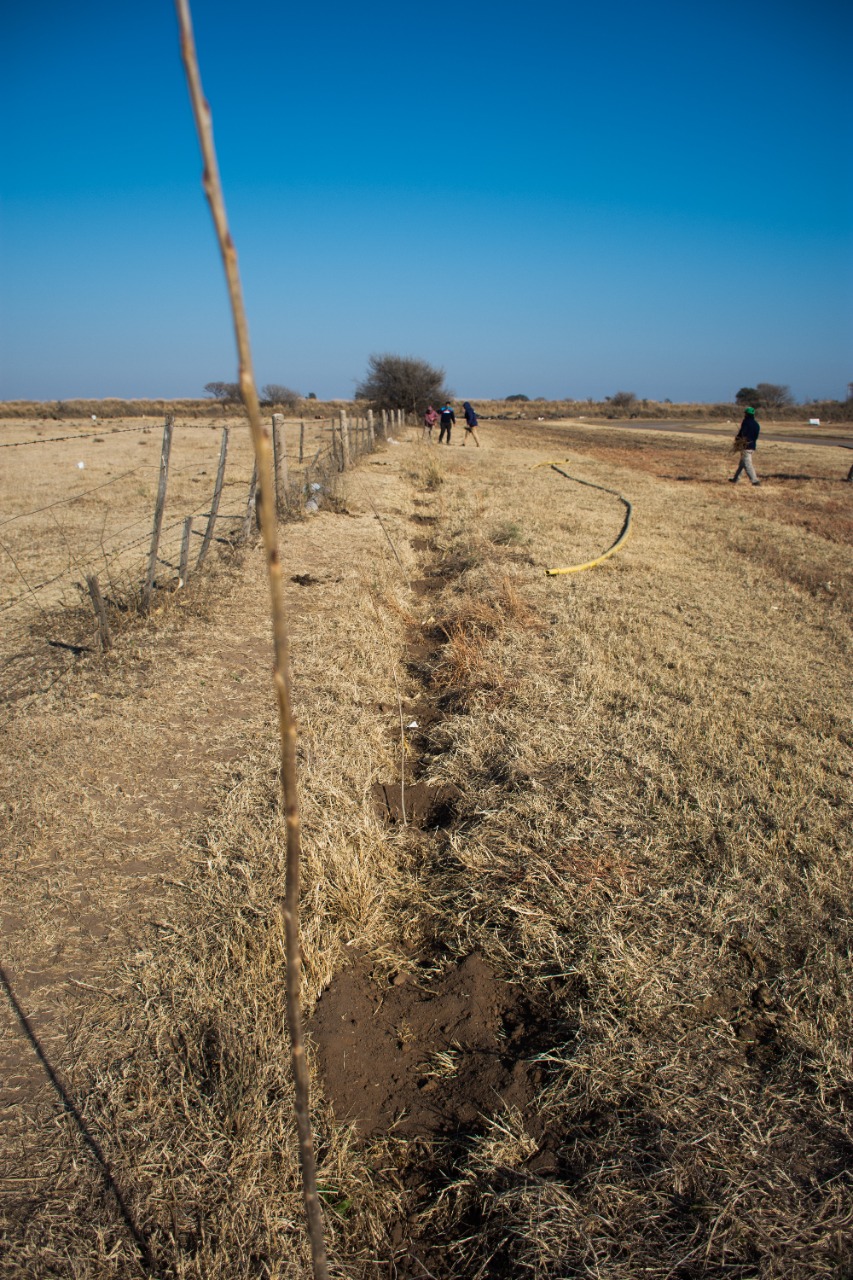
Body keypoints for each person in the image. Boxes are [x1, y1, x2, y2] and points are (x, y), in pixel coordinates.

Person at [730, 407, 761, 485]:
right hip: (752, 446)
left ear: (746, 414)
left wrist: (738, 439)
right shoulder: (756, 424)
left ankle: (755, 481)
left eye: (745, 413)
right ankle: (735, 479)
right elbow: (755, 436)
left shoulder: (746, 422)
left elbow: (743, 433)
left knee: (747, 464)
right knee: (742, 464)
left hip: (745, 446)